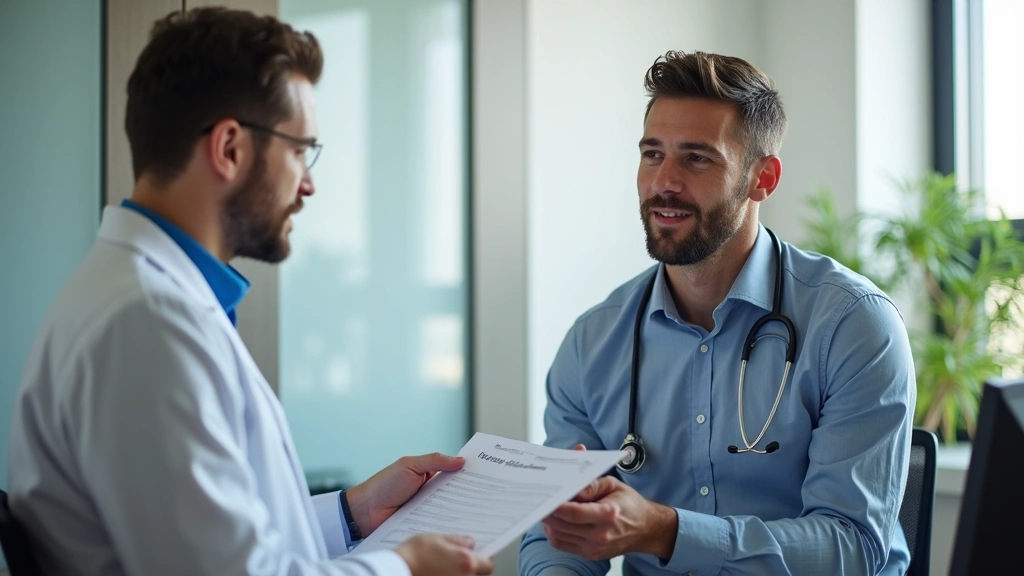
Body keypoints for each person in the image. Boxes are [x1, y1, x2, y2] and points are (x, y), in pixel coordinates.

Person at [6, 8, 492, 576]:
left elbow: (221, 538)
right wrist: (403, 568)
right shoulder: (146, 323)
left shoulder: (143, 300)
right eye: (300, 150)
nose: (309, 184)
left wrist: (353, 514)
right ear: (230, 148)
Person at [519, 51, 916, 575]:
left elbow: (851, 547)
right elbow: (559, 531)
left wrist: (666, 532)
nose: (664, 182)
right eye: (652, 154)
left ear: (762, 178)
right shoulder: (593, 341)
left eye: (697, 159)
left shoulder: (852, 325)